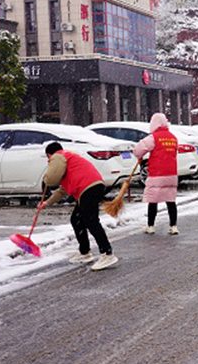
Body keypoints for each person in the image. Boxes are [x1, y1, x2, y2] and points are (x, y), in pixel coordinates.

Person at [39, 142, 117, 270]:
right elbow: (62, 190)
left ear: (49, 155)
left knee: (91, 221)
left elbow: (51, 180)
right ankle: (85, 253)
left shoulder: (58, 156)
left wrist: (47, 178)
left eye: (49, 159)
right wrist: (47, 203)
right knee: (77, 220)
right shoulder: (69, 161)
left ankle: (107, 254)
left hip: (88, 188)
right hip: (92, 187)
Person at [133, 113, 179, 235]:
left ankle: (150, 226)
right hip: (171, 173)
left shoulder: (153, 137)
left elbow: (138, 150)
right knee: (170, 200)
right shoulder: (173, 137)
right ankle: (173, 226)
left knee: (153, 200)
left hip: (157, 173)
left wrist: (140, 156)